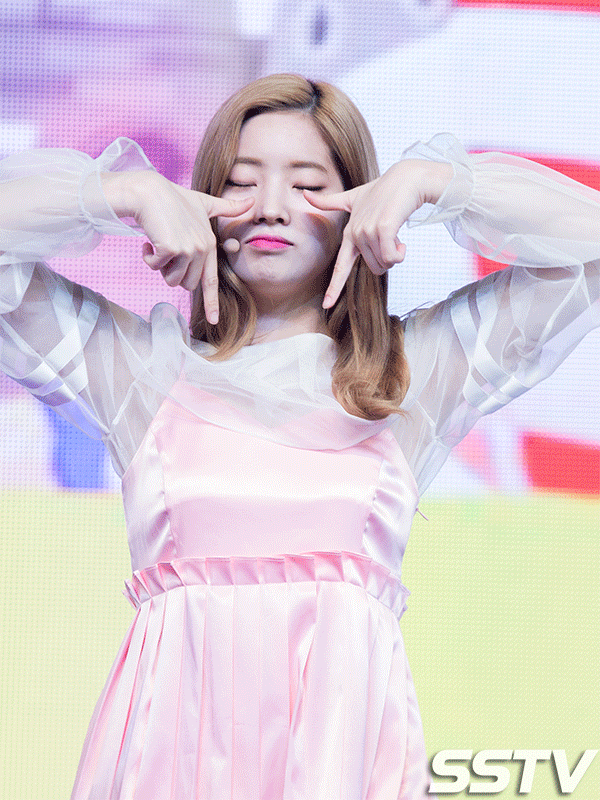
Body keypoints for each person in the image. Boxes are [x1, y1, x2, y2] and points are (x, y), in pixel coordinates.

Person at [0, 73, 598, 800]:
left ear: (358, 206)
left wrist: (432, 183)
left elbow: (589, 255)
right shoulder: (141, 375)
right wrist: (126, 194)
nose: (271, 207)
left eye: (309, 184)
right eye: (241, 182)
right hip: (168, 766)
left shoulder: (411, 379)